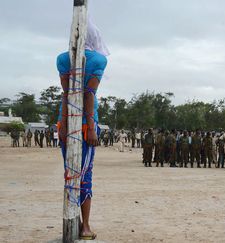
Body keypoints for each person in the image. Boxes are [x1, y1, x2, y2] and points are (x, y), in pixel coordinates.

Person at [57, 18, 109, 240]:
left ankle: (73, 221)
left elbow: (67, 94)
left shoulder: (62, 59)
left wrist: (64, 124)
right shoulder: (98, 60)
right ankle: (85, 226)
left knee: (70, 173)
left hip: (65, 121)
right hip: (86, 123)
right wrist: (90, 127)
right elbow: (89, 94)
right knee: (85, 175)